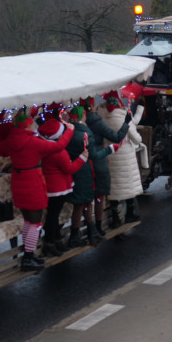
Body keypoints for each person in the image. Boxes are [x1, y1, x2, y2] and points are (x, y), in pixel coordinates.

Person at [0, 108, 76, 270]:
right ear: (26, 127)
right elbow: (58, 146)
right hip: (32, 182)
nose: (34, 127)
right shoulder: (33, 143)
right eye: (31, 125)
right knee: (35, 221)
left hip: (18, 182)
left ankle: (29, 255)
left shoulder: (11, 140)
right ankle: (28, 257)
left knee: (28, 220)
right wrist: (69, 131)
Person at [64, 105, 121, 248]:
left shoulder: (67, 131)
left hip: (73, 170)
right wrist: (110, 149)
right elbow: (94, 155)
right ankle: (87, 232)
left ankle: (79, 234)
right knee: (85, 202)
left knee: (80, 204)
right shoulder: (84, 133)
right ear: (82, 116)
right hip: (83, 170)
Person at [37, 109, 89, 258]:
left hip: (53, 186)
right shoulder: (58, 152)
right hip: (58, 188)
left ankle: (56, 239)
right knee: (53, 216)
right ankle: (50, 242)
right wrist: (82, 158)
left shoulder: (47, 147)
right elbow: (69, 168)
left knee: (54, 214)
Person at [84, 96, 132, 235]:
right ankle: (98, 227)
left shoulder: (77, 124)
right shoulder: (97, 122)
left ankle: (89, 228)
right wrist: (126, 123)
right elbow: (116, 137)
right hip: (99, 162)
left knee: (86, 200)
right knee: (99, 196)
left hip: (83, 163)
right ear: (92, 107)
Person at [100, 91, 147, 228]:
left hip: (110, 155)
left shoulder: (101, 115)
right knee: (128, 188)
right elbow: (136, 138)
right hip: (124, 156)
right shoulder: (122, 116)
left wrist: (138, 110)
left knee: (114, 189)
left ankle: (115, 219)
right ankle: (130, 214)